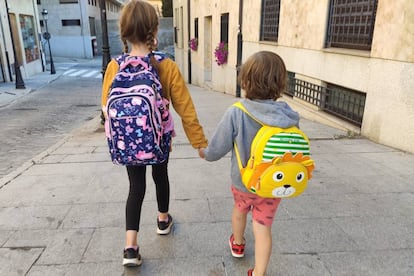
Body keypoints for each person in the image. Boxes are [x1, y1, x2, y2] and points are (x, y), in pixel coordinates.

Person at [101, 0, 208, 267]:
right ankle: (162, 219)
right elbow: (186, 109)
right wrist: (199, 142)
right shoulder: (166, 66)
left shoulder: (115, 66)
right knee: (161, 176)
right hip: (158, 140)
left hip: (128, 142)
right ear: (154, 29)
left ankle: (130, 247)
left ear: (123, 32)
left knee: (135, 187)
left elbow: (105, 108)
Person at [198, 51, 300, 276]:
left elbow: (218, 146)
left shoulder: (237, 112)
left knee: (239, 211)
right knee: (263, 226)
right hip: (273, 185)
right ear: (280, 83)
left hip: (243, 182)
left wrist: (205, 153)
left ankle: (237, 243)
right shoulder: (289, 116)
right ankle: (259, 272)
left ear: (245, 81)